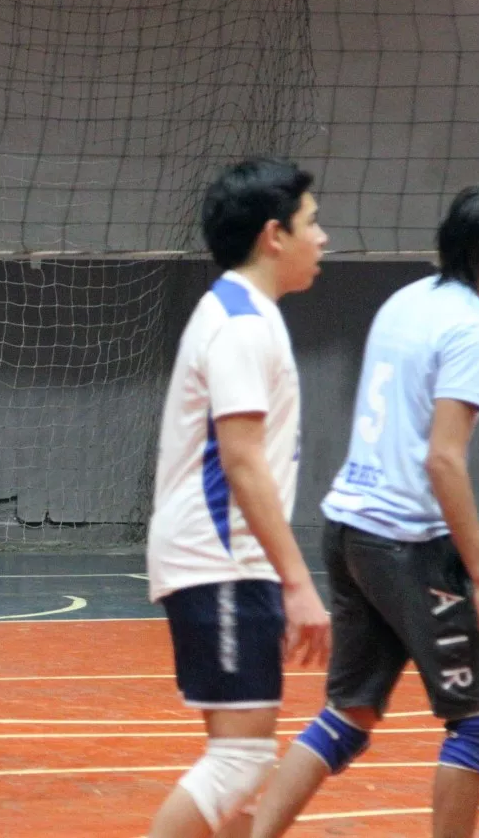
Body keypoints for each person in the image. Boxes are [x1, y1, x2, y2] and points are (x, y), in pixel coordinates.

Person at [250, 180, 479, 838]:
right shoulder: (474, 328)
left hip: (349, 527)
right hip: (407, 542)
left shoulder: (408, 299)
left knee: (348, 714)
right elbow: (443, 459)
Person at [145, 157, 331, 837]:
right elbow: (243, 462)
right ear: (274, 235)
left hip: (220, 558)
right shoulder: (242, 323)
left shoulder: (241, 311)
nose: (324, 238)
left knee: (240, 769)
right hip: (220, 558)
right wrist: (298, 583)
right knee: (241, 761)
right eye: (314, 222)